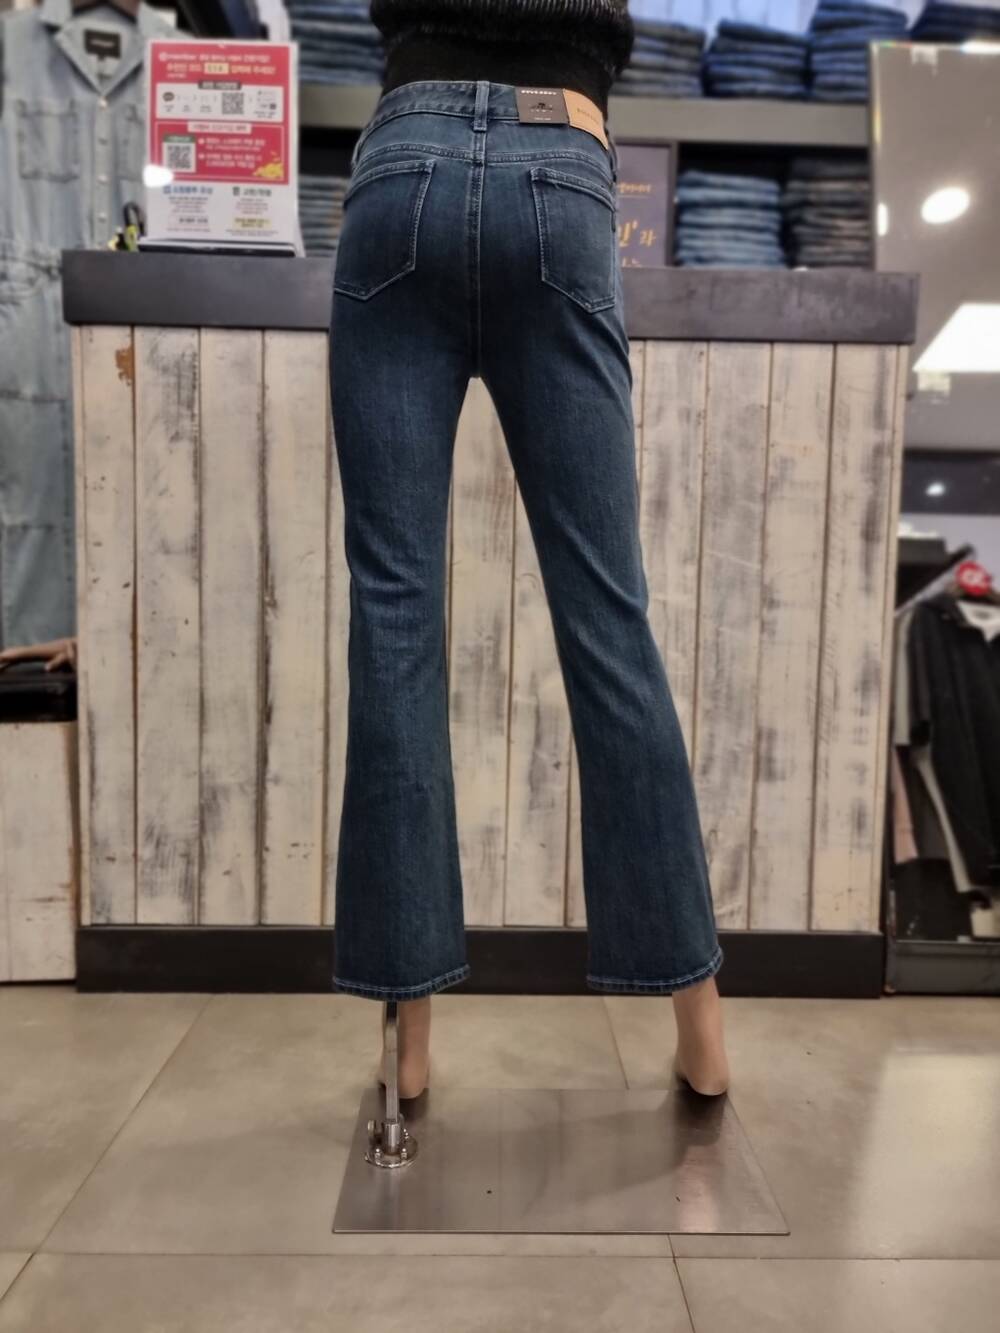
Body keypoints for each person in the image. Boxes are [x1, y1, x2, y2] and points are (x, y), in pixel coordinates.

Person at [329, 0, 730, 1099]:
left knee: (395, 610)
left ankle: (406, 1050)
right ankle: (702, 1031)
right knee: (607, 614)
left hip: (403, 155)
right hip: (561, 155)